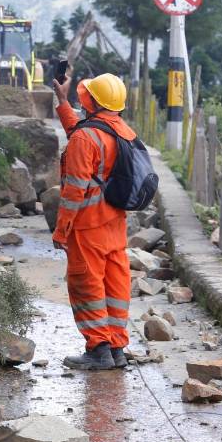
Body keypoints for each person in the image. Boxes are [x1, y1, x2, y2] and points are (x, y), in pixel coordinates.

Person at [51, 71, 137, 370]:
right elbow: (82, 133)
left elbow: (74, 190)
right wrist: (63, 103)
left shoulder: (86, 138)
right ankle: (116, 349)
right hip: (115, 223)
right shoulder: (123, 131)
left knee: (86, 285)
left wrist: (62, 230)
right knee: (116, 285)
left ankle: (97, 350)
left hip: (88, 225)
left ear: (90, 100)